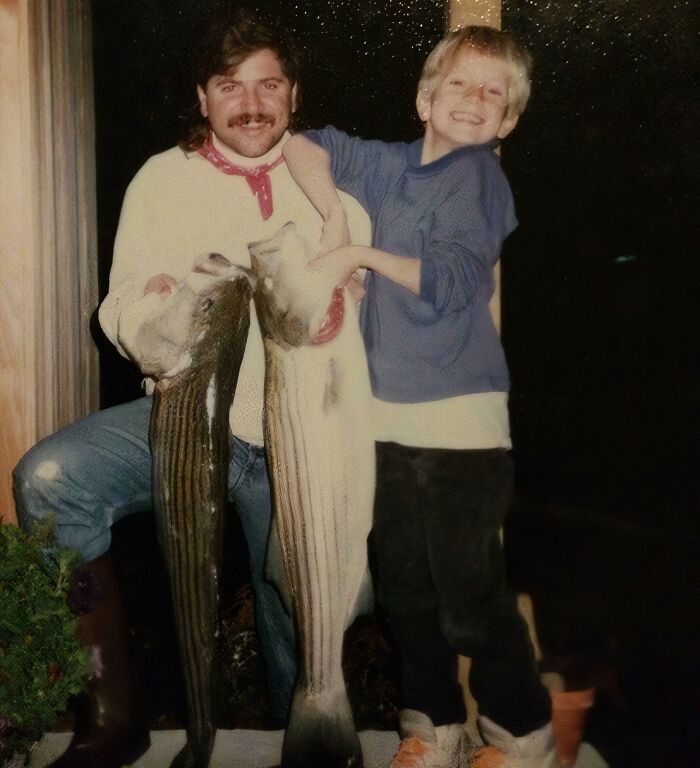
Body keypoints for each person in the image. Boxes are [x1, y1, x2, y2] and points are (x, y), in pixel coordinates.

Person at [12, 9, 369, 768]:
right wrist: (172, 307)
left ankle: (302, 736)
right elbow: (123, 317)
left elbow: (362, 342)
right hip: (183, 423)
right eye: (229, 85)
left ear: (294, 95)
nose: (251, 102)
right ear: (202, 99)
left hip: (298, 445)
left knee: (295, 616)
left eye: (269, 84)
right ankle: (111, 713)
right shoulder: (161, 182)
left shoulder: (334, 187)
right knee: (49, 477)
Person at [283, 26, 558, 768]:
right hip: (381, 420)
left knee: (470, 595)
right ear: (424, 97)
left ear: (507, 122)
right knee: (405, 589)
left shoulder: (480, 180)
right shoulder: (387, 165)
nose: (473, 100)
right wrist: (338, 214)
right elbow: (301, 143)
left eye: (493, 93)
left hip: (462, 425)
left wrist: (356, 254)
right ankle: (430, 728)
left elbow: (453, 282)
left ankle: (521, 733)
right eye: (460, 84)